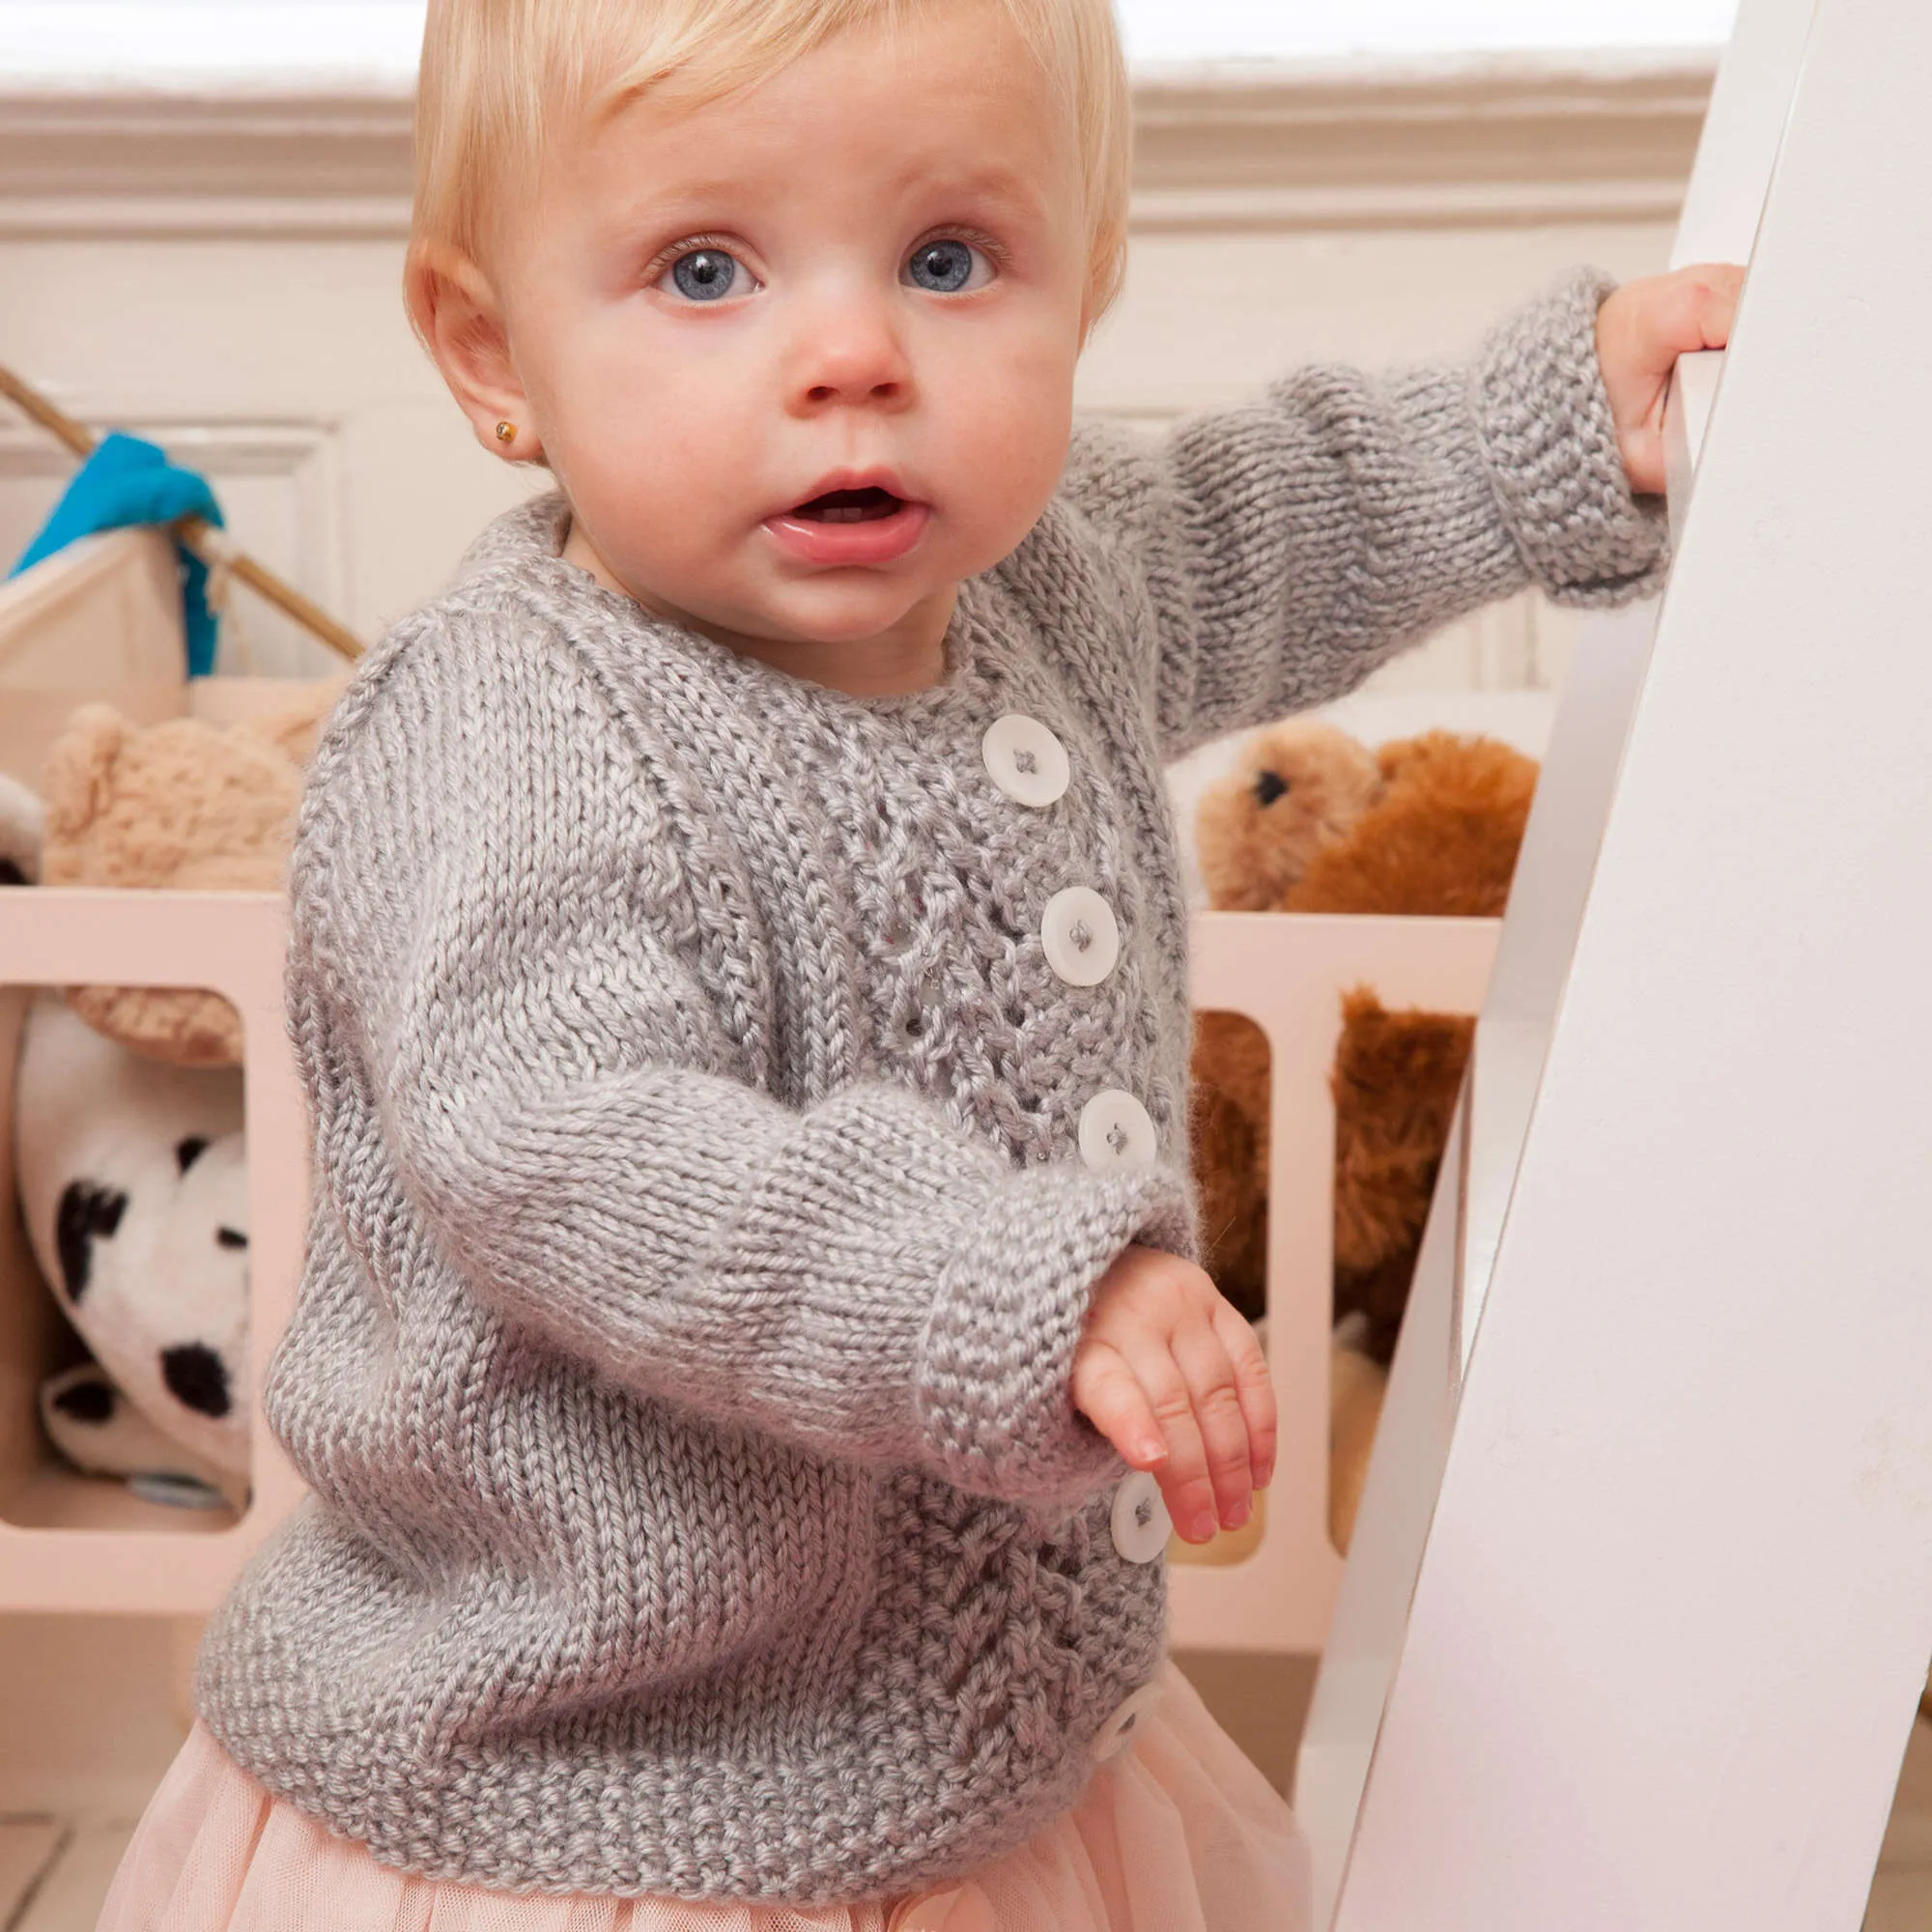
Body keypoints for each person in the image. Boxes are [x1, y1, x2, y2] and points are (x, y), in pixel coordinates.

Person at [97, 1, 1740, 1926]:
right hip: (589, 1795)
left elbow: (1271, 522)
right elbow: (576, 1147)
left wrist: (1550, 423)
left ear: (1084, 281)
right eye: (705, 271)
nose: (854, 356)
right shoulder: (511, 731)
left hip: (983, 1760)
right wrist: (1015, 1289)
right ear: (492, 352)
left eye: (949, 261)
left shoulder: (1040, 585)